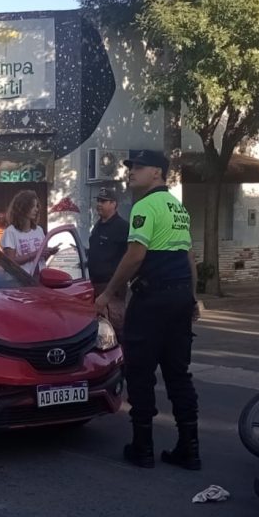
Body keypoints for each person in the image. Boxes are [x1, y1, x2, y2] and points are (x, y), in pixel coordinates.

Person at [94, 149, 202, 470]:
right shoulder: (177, 207)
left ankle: (142, 448)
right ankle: (189, 449)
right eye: (131, 167)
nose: (131, 172)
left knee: (140, 371)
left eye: (139, 167)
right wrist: (192, 298)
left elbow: (136, 255)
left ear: (157, 173)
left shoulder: (145, 206)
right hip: (179, 299)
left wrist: (109, 292)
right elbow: (189, 258)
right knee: (178, 374)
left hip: (152, 300)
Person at [87, 187, 128, 335]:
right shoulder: (98, 225)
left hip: (112, 287)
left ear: (114, 204)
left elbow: (129, 257)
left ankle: (120, 357)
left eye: (103, 201)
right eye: (98, 201)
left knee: (115, 327)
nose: (99, 204)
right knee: (101, 330)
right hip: (95, 285)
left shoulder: (122, 227)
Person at [0, 189, 57, 277]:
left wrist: (48, 253)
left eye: (37, 206)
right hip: (22, 280)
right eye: (33, 206)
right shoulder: (11, 232)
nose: (36, 210)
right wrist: (35, 254)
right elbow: (10, 262)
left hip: (41, 278)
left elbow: (42, 259)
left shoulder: (38, 230)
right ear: (22, 208)